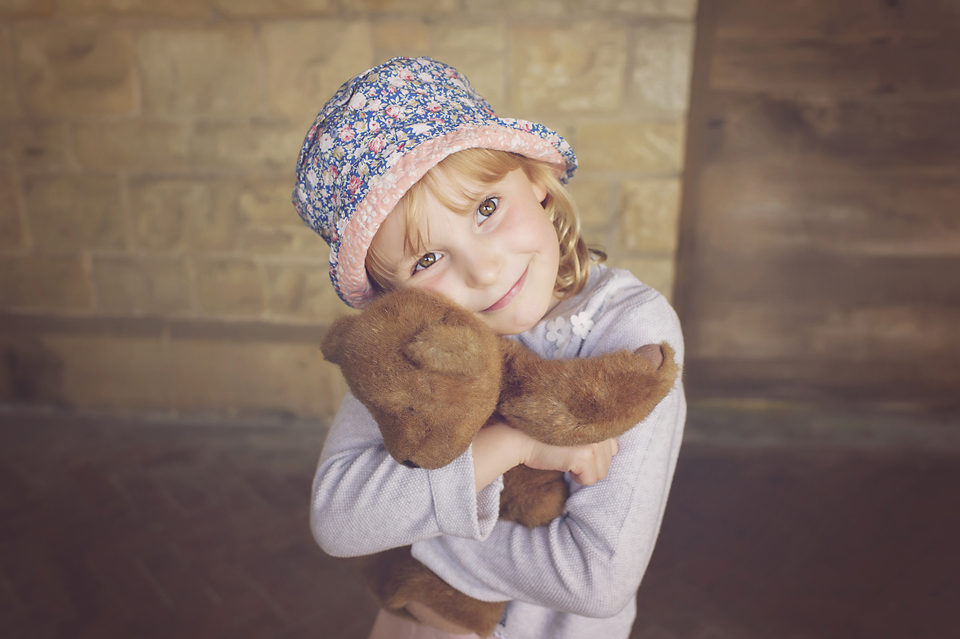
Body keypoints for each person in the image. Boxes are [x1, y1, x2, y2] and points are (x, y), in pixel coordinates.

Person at [293, 57, 686, 639]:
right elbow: (340, 518)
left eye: (485, 209)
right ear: (391, 297)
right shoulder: (417, 340)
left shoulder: (631, 330)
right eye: (427, 260)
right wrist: (517, 443)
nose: (483, 271)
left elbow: (594, 579)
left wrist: (417, 534)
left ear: (532, 179)